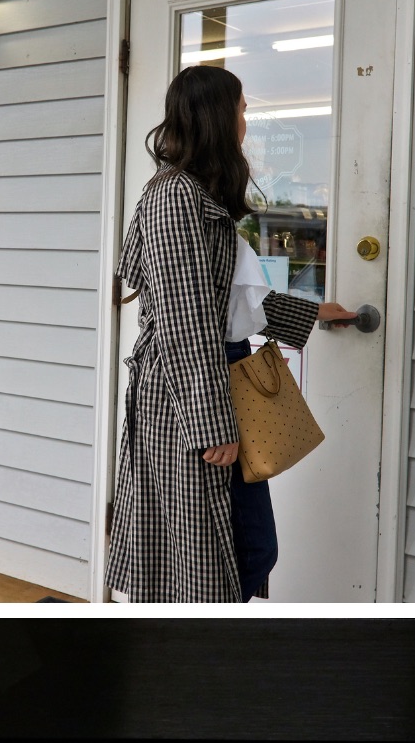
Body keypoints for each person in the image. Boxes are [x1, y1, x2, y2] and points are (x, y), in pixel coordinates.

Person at [107, 64, 356, 602]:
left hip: (219, 368)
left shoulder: (199, 194)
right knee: (228, 553)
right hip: (191, 387)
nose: (246, 121)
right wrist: (211, 424)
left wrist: (311, 314)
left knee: (226, 552)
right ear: (219, 116)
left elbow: (228, 297)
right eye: (242, 109)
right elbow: (186, 321)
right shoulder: (175, 198)